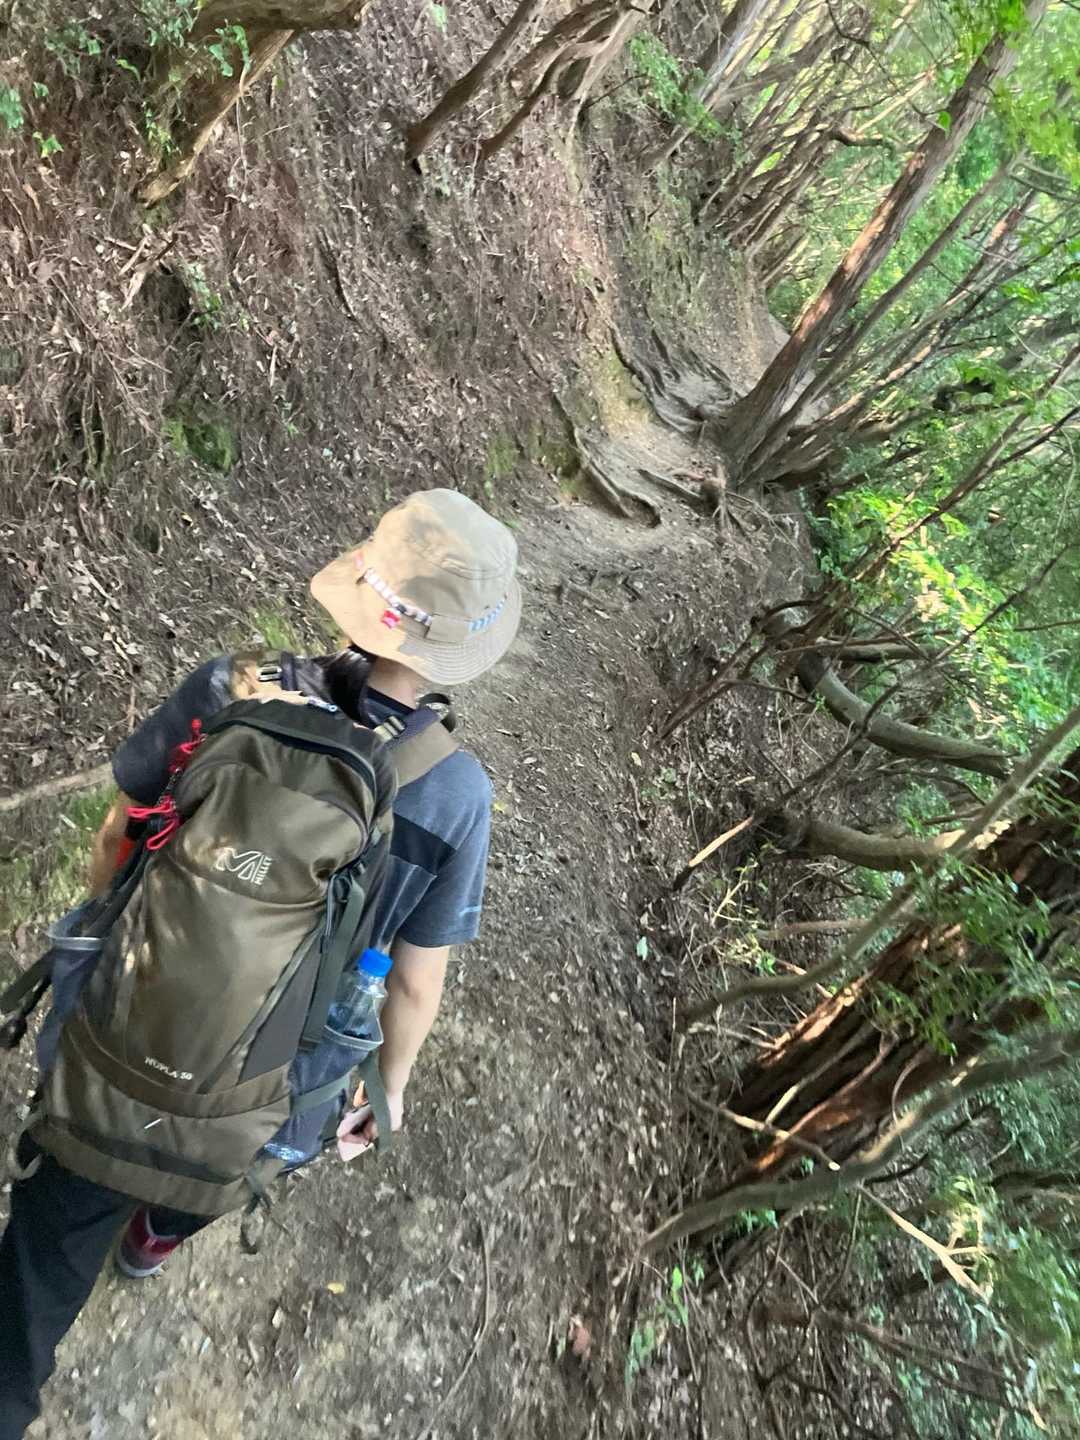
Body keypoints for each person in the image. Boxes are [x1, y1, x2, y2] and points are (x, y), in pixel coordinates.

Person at [0, 488, 520, 1440]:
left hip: (119, 1042)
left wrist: (112, 940)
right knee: (236, 1164)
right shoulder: (457, 796)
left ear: (360, 592)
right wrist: (388, 1092)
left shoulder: (229, 689)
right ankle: (158, 1233)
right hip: (277, 1092)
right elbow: (415, 981)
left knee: (35, 1283)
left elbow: (118, 838)